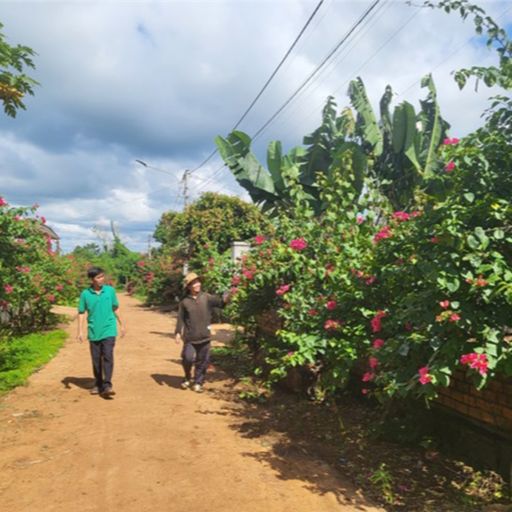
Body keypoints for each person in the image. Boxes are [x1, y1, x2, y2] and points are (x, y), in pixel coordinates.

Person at [175, 272, 228, 392]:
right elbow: (180, 318)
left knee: (202, 361)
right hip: (190, 337)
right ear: (189, 286)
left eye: (198, 282)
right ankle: (187, 376)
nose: (197, 284)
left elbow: (220, 303)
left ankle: (198, 382)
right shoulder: (184, 302)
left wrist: (226, 298)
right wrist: (178, 332)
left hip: (205, 337)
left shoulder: (206, 297)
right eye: (194, 283)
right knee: (187, 358)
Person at [77, 267, 125, 397]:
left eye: (102, 276)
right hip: (93, 331)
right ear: (92, 279)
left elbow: (115, 307)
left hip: (109, 329)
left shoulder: (110, 291)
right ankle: (98, 383)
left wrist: (121, 324)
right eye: (98, 277)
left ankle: (107, 385)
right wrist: (80, 331)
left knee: (108, 356)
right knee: (96, 359)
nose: (101, 279)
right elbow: (81, 313)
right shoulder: (85, 294)